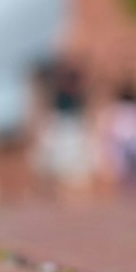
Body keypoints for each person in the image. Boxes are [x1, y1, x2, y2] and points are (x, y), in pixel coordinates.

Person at [31, 56, 94, 198]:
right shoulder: (57, 87)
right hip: (61, 122)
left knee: (69, 164)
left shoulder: (71, 88)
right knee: (57, 162)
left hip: (70, 123)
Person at [98, 80, 136, 196]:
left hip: (126, 145)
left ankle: (129, 190)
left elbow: (108, 131)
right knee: (133, 172)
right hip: (134, 145)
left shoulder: (115, 110)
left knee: (126, 172)